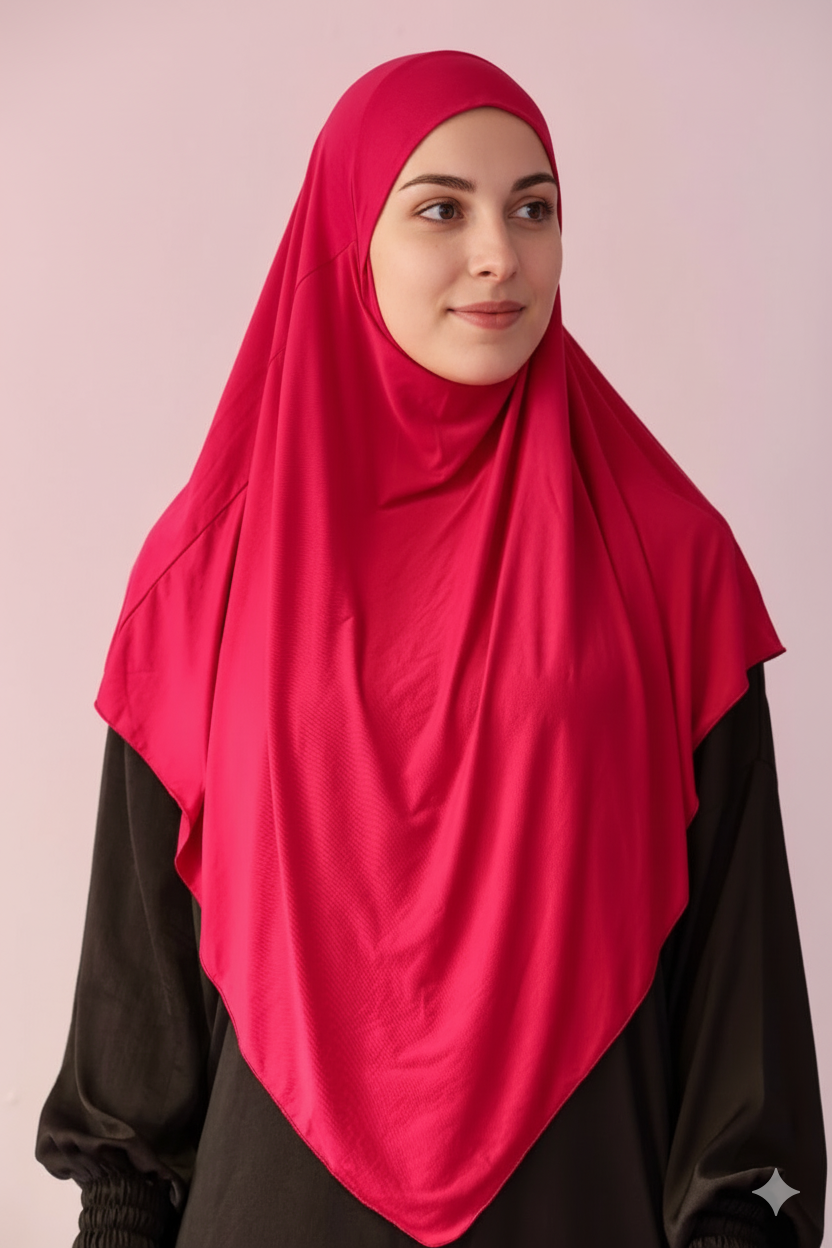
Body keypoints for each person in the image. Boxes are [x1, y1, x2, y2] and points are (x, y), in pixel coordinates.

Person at [35, 50, 825, 1248]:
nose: (500, 253)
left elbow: (741, 1011)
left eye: (533, 209)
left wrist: (743, 1229)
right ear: (348, 238)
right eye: (441, 210)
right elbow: (134, 1038)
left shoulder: (672, 564)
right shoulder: (206, 573)